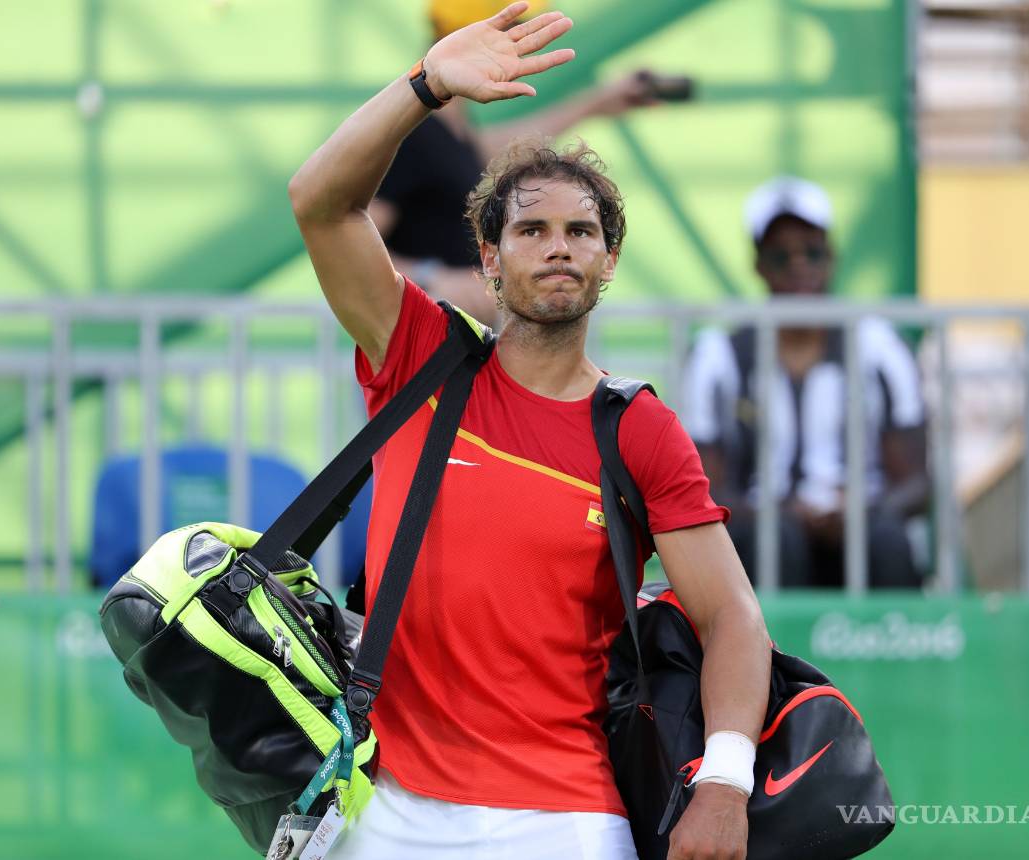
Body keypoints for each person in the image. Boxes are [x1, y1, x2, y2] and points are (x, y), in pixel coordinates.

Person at [287, 5, 770, 859]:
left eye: (581, 232)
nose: (558, 248)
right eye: (531, 230)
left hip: (566, 819)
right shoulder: (419, 355)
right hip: (384, 805)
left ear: (607, 262)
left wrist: (727, 782)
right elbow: (319, 203)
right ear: (489, 257)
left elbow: (731, 615)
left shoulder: (639, 427)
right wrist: (425, 86)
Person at [680, 176, 931, 589]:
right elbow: (702, 486)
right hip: (763, 533)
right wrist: (781, 514)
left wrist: (858, 510)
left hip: (861, 526)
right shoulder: (720, 355)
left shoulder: (879, 347)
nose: (799, 266)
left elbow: (917, 483)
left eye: (811, 252)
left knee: (885, 540)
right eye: (781, 256)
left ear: (831, 257)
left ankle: (891, 635)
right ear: (759, 265)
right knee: (778, 540)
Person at [369, 0, 667, 325]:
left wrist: (597, 104)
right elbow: (355, 241)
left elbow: (499, 149)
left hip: (453, 332)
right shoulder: (415, 136)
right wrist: (430, 276)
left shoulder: (449, 130)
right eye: (509, 32)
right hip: (420, 336)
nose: (517, 48)